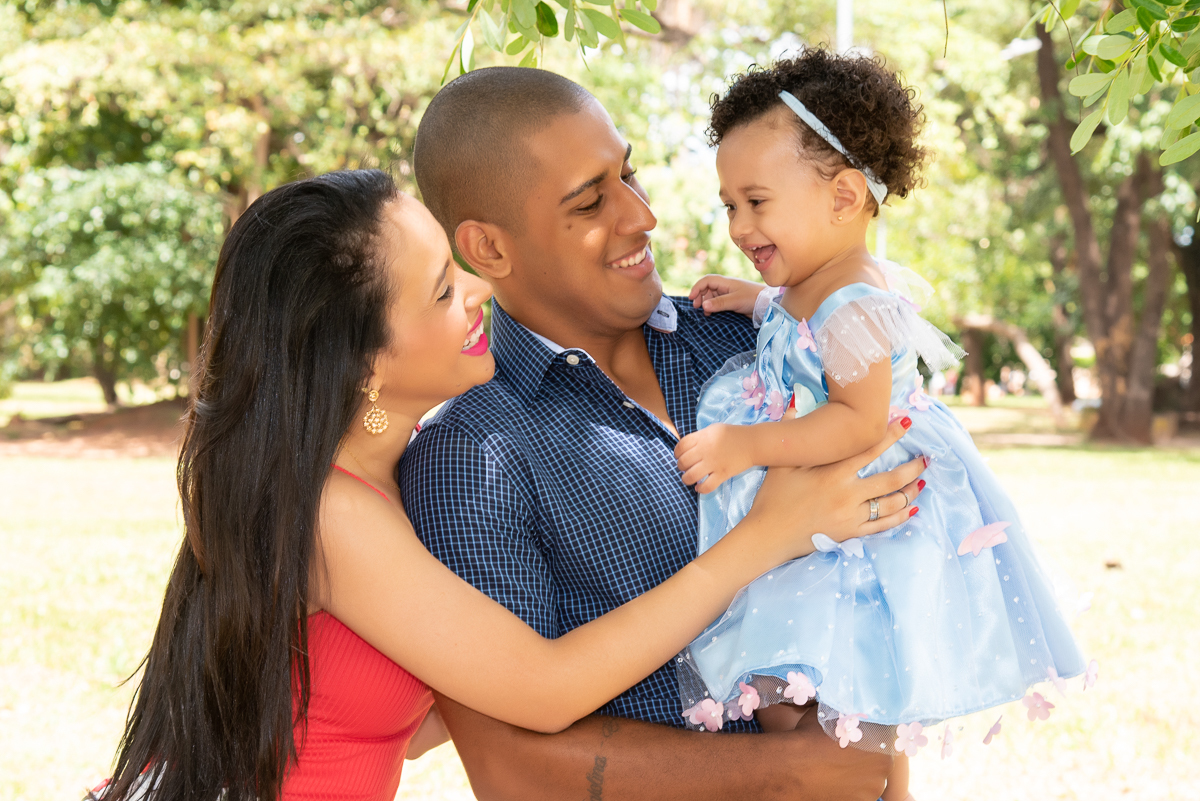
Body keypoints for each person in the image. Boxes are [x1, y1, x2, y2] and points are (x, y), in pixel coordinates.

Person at [94, 170, 922, 801]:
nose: (479, 292)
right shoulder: (331, 513)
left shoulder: (372, 483)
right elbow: (544, 686)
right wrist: (760, 540)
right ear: (362, 364)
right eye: (443, 291)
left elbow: (399, 712)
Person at [399, 66, 926, 801]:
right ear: (488, 250)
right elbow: (516, 771)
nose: (641, 214)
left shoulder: (753, 339)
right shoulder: (467, 457)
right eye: (590, 201)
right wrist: (802, 773)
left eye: (629, 174)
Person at [672, 50, 1088, 800]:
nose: (738, 225)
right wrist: (755, 300)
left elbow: (861, 420)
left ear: (842, 197)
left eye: (757, 202)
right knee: (795, 705)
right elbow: (802, 327)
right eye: (730, 205)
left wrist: (748, 443)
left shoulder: (856, 303)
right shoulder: (817, 283)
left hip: (864, 533)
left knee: (847, 719)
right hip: (818, 524)